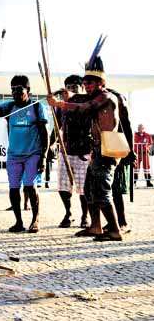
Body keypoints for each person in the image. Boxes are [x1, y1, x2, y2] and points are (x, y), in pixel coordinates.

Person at [48, 56, 123, 241]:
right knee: (89, 189)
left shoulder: (106, 97)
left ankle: (114, 230)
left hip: (107, 151)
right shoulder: (94, 95)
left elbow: (85, 106)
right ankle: (96, 226)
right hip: (97, 151)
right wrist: (65, 96)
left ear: (100, 82)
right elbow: (80, 99)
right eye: (85, 82)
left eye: (90, 82)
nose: (87, 85)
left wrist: (60, 104)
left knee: (101, 191)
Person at [0, 75, 49, 233]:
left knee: (30, 186)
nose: (15, 93)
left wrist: (43, 157)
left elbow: (44, 134)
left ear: (27, 90)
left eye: (19, 89)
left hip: (33, 154)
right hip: (14, 156)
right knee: (13, 189)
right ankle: (18, 222)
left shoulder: (37, 107)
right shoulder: (9, 106)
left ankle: (35, 220)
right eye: (13, 90)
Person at [54, 75, 92, 229]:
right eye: (68, 87)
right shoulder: (61, 106)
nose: (71, 90)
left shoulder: (87, 103)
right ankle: (68, 213)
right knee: (63, 186)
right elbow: (57, 127)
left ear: (81, 88)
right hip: (66, 151)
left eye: (74, 87)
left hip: (84, 151)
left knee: (84, 188)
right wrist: (49, 146)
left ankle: (85, 215)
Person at [108, 88, 136, 233]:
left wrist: (130, 151)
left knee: (116, 189)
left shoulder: (121, 108)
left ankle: (122, 221)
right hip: (107, 145)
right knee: (106, 188)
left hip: (119, 146)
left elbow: (128, 129)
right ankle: (112, 220)